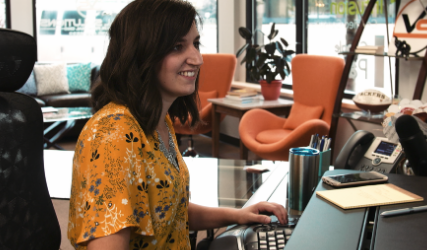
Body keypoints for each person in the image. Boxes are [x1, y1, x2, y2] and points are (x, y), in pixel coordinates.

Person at [68, 0, 288, 249]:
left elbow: (169, 210)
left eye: (195, 44)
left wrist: (238, 215)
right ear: (140, 54)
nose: (197, 59)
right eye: (176, 47)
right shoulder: (113, 136)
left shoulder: (158, 121)